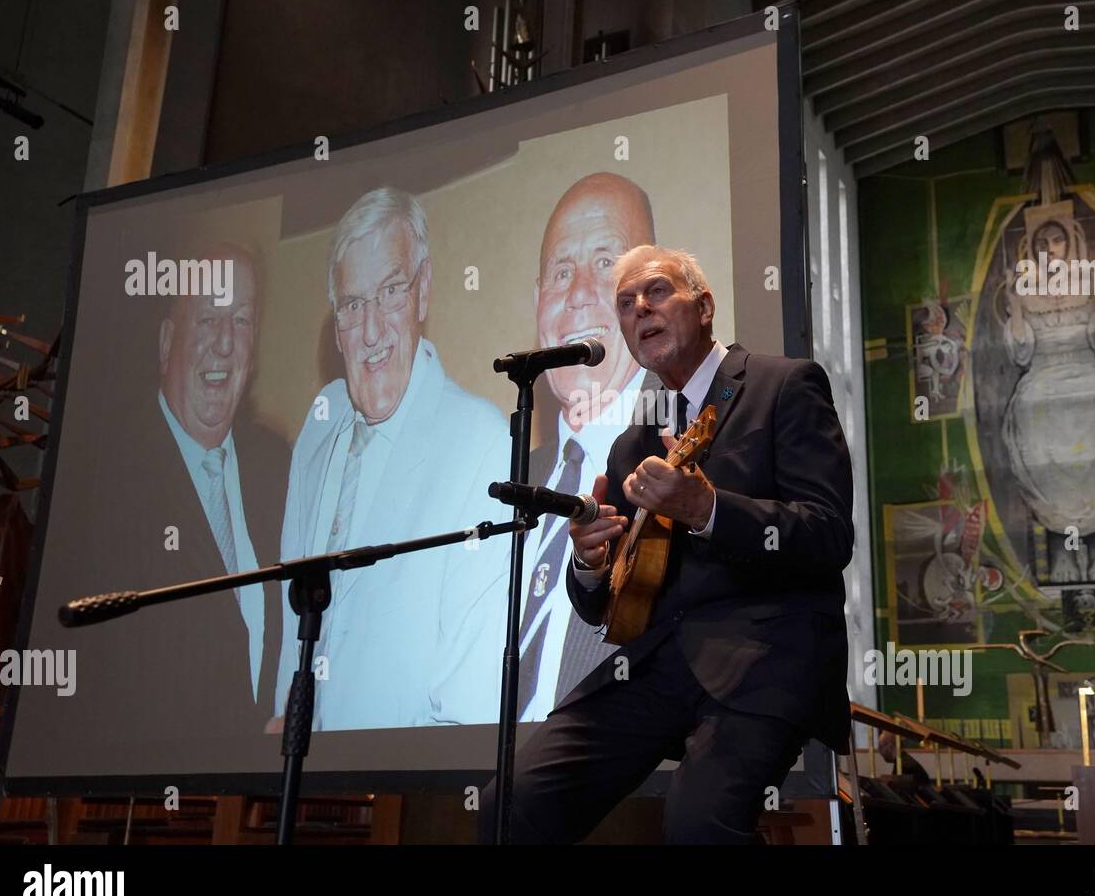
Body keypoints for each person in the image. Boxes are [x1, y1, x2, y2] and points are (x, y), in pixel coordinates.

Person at [480, 245, 854, 843]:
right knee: (511, 806)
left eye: (656, 292)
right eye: (625, 304)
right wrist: (590, 563)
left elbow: (829, 534)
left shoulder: (784, 385)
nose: (638, 310)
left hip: (762, 656)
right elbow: (611, 607)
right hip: (651, 667)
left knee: (697, 826)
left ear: (704, 306)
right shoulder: (632, 444)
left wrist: (707, 510)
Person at [275, 187, 510, 731]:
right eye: (354, 305)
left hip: (394, 787)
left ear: (424, 290)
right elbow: (292, 629)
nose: (372, 331)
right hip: (292, 771)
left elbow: (466, 702)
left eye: (391, 292)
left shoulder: (481, 441)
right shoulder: (319, 425)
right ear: (335, 321)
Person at [83, 243, 288, 741]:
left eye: (240, 321)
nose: (224, 344)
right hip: (139, 797)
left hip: (256, 801)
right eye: (207, 320)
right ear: (166, 341)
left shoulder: (281, 469)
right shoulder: (103, 479)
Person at [516, 172, 661, 721]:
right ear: (537, 303)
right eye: (560, 271)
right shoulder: (509, 476)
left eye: (605, 263)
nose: (577, 294)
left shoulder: (686, 458)